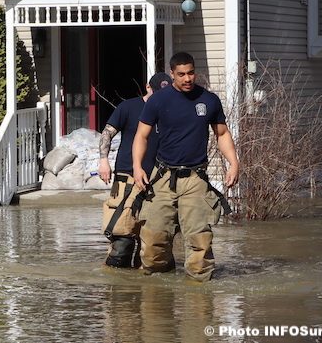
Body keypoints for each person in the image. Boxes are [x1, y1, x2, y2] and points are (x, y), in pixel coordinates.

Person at [132, 52, 239, 282]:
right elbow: (141, 136)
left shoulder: (209, 100)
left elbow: (221, 134)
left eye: (191, 73)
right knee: (153, 245)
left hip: (195, 178)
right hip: (162, 177)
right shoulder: (158, 100)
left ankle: (198, 304)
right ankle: (159, 296)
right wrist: (137, 167)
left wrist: (234, 163)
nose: (187, 78)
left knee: (200, 244)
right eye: (181, 74)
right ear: (172, 74)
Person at [100, 72, 172, 268]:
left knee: (153, 244)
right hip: (127, 178)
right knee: (122, 241)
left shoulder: (169, 110)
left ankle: (146, 290)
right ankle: (117, 291)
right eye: (157, 93)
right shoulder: (128, 107)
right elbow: (107, 133)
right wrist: (103, 160)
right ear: (148, 88)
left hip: (158, 179)